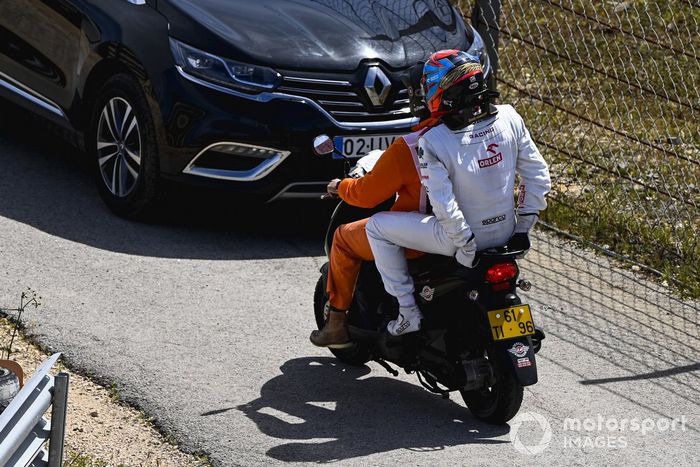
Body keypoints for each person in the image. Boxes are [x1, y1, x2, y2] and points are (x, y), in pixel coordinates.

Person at [365, 50, 551, 336]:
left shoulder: (434, 140)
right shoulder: (511, 117)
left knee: (376, 226)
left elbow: (443, 203)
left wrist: (466, 244)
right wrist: (524, 227)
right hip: (508, 234)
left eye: (429, 84)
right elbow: (537, 176)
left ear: (441, 90)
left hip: (462, 241)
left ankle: (408, 312)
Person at [309, 63, 444, 348]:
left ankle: (336, 325)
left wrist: (339, 186)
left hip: (421, 236)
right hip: (481, 228)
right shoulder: (483, 135)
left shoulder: (412, 147)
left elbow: (366, 195)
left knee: (344, 238)